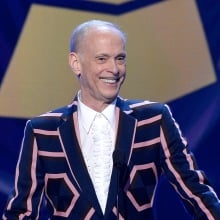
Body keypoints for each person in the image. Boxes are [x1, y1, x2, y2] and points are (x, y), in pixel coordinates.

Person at [3, 19, 220, 220]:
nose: (114, 69)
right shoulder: (43, 131)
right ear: (76, 63)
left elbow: (196, 192)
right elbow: (22, 212)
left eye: (120, 58)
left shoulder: (154, 120)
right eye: (102, 58)